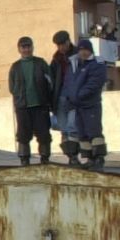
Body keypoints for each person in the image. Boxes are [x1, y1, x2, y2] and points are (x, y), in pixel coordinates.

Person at [57, 37, 109, 168]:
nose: (83, 53)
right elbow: (69, 84)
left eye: (85, 50)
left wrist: (78, 95)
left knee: (94, 131)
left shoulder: (97, 64)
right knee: (83, 134)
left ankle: (98, 158)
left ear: (90, 50)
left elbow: (93, 84)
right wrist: (70, 98)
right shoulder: (78, 65)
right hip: (78, 105)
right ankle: (89, 158)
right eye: (81, 50)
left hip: (90, 104)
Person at [7, 35, 53, 165]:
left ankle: (44, 157)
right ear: (19, 49)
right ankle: (24, 157)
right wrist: (19, 96)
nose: (26, 49)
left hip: (40, 105)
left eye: (28, 46)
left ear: (32, 47)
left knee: (43, 133)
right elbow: (11, 87)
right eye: (23, 47)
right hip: (23, 107)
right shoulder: (15, 67)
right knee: (23, 134)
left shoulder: (41, 63)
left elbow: (50, 83)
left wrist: (46, 98)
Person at [49, 28, 80, 163]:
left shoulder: (79, 54)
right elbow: (51, 80)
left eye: (63, 44)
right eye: (58, 45)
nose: (61, 47)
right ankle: (71, 157)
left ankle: (76, 155)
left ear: (68, 42)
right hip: (60, 97)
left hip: (75, 98)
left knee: (73, 128)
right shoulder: (56, 59)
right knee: (64, 130)